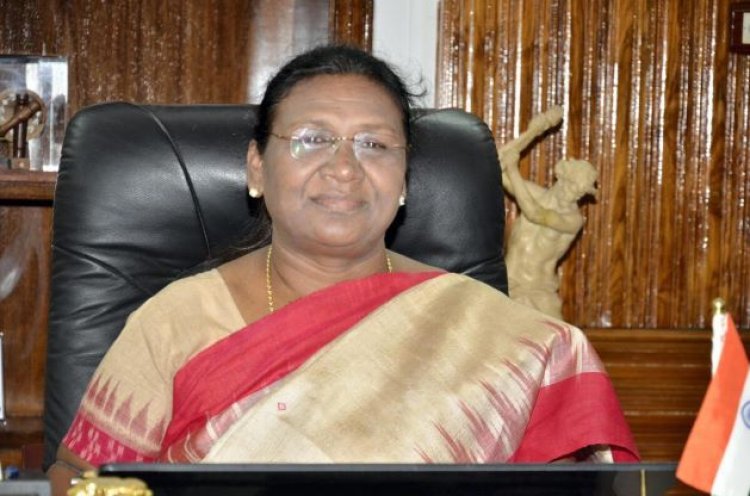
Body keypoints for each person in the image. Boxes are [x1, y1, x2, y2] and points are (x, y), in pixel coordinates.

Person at [49, 45, 637, 492]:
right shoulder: (175, 320)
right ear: (256, 168)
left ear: (404, 181)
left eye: (375, 146)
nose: (344, 169)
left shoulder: (498, 334)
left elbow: (574, 481)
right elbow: (81, 479)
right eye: (311, 139)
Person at [498, 107, 598, 319]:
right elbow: (497, 169)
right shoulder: (536, 194)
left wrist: (513, 168)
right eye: (572, 187)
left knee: (554, 345)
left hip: (538, 290)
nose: (574, 196)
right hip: (508, 283)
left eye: (580, 193)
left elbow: (535, 214)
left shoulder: (573, 220)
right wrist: (534, 131)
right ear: (562, 178)